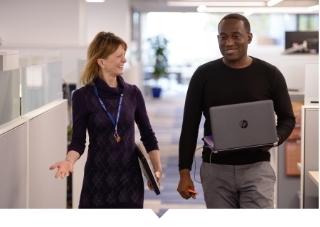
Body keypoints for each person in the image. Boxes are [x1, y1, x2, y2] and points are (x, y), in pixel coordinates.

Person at [177, 13, 295, 208]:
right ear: (218, 39)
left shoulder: (270, 74)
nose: (229, 42)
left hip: (257, 169)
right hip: (216, 170)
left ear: (249, 37)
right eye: (223, 37)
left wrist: (276, 138)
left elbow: (287, 118)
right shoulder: (203, 75)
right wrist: (184, 172)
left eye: (235, 36)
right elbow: (189, 127)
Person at [50, 32, 162, 209]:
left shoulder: (133, 93)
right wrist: (69, 161)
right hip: (97, 181)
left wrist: (156, 167)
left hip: (129, 179)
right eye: (118, 56)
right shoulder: (82, 96)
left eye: (124, 55)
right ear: (101, 62)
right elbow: (78, 142)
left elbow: (148, 135)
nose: (124, 60)